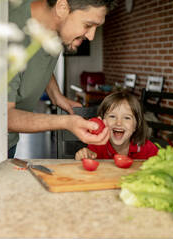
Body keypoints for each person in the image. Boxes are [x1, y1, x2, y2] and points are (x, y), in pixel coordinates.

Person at [8, 0, 116, 158]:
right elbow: (4, 118)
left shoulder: (54, 28)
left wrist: (56, 95)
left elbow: (37, 62)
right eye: (88, 25)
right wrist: (66, 122)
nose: (91, 36)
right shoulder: (10, 34)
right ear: (62, 7)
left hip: (9, 141)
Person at [75, 91, 159, 160]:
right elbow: (87, 163)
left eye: (127, 118)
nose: (118, 123)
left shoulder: (148, 149)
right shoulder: (96, 146)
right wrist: (83, 156)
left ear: (136, 125)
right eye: (112, 116)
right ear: (102, 122)